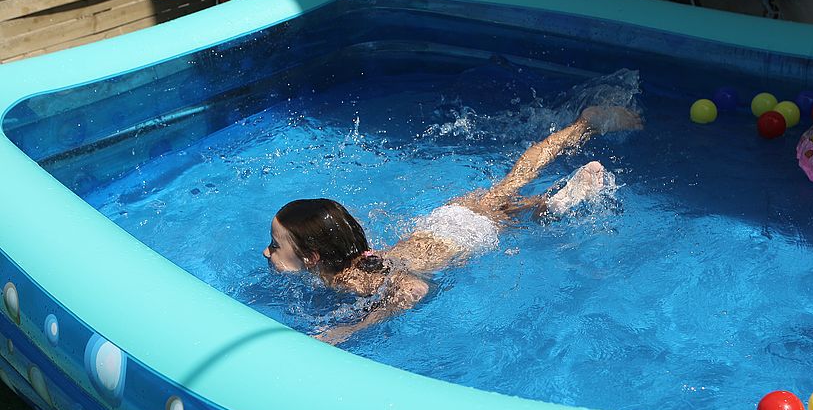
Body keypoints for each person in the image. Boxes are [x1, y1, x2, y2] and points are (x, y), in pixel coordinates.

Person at [263, 104, 642, 344]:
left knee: (537, 213)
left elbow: (414, 288)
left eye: (276, 245)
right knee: (513, 183)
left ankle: (566, 192)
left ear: (312, 256)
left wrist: (352, 328)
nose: (268, 252)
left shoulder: (351, 278)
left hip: (467, 236)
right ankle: (581, 127)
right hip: (446, 220)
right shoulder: (355, 257)